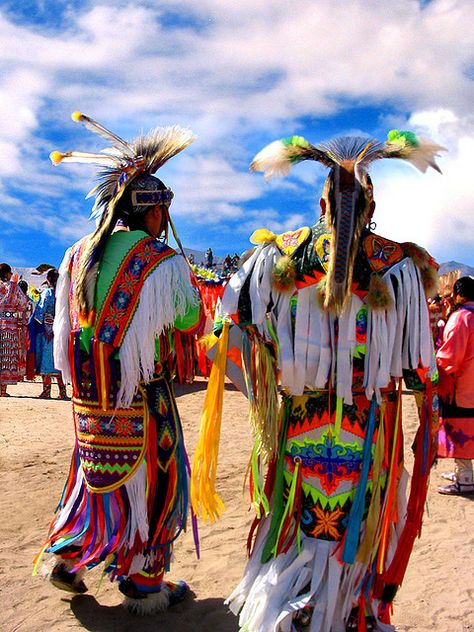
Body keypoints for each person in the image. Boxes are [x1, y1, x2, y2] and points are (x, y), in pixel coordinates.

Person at [192, 130, 443, 631]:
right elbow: (420, 371)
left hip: (301, 422)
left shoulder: (276, 255)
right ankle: (347, 611)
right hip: (371, 427)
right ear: (370, 205)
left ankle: (293, 607)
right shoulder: (402, 265)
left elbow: (227, 333)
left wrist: (272, 380)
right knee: (358, 524)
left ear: (321, 201)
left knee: (297, 522)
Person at [34, 112, 203, 614]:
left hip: (91, 397)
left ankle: (67, 558)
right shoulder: (162, 260)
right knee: (157, 478)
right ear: (152, 212)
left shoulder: (75, 256)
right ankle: (145, 581)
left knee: (92, 474)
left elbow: (68, 330)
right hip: (143, 393)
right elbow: (192, 321)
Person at [437, 276, 474, 495]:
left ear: (460, 295)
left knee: (462, 429)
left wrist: (435, 364)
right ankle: (463, 471)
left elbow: (450, 356)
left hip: (462, 387)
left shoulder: (461, 318)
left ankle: (466, 478)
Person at [34, 268, 68, 399]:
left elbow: (40, 311)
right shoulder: (63, 294)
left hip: (47, 331)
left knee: (46, 359)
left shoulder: (47, 293)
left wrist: (37, 323)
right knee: (59, 359)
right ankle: (62, 392)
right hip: (61, 329)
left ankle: (46, 391)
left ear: (48, 279)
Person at [0, 263, 30, 396]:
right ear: (7, 274)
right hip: (9, 326)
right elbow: (23, 303)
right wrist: (14, 311)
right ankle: (2, 390)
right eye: (10, 273)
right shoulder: (13, 287)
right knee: (6, 357)